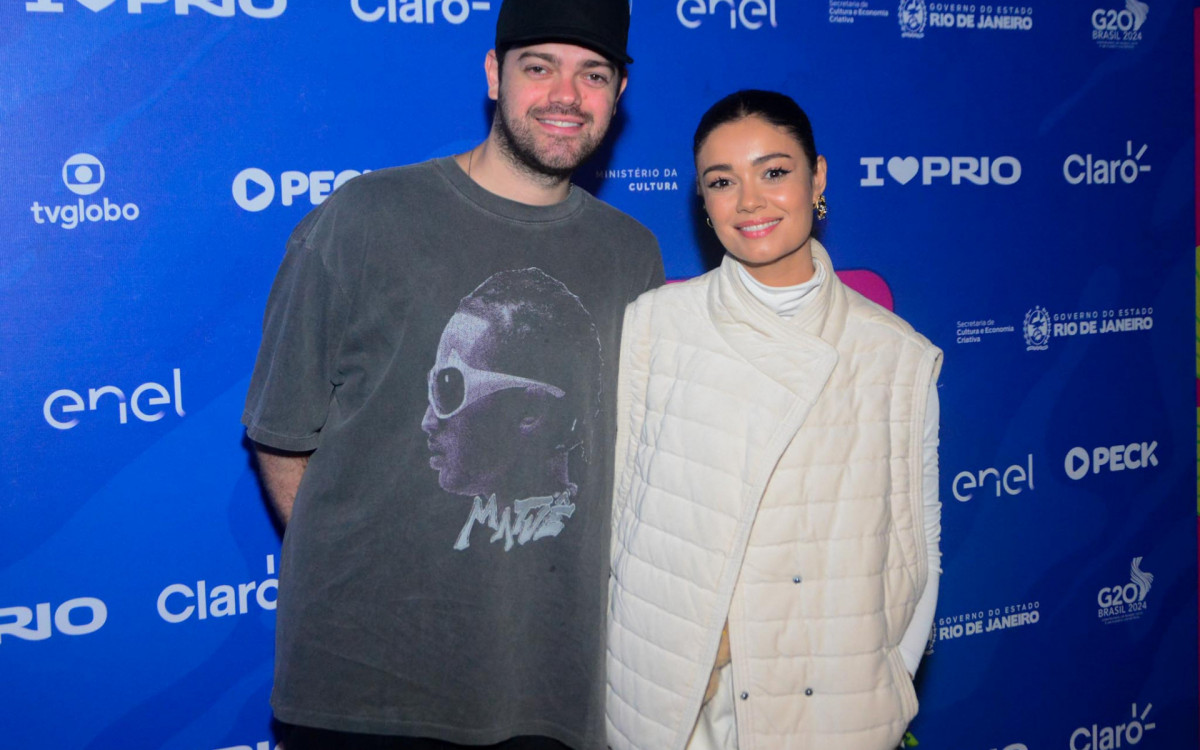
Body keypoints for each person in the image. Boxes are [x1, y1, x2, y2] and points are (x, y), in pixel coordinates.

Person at [241, 0, 664, 746]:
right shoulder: (367, 217)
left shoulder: (633, 255)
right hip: (367, 691)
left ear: (618, 94)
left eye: (592, 74)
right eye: (540, 67)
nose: (566, 95)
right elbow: (281, 432)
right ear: (494, 73)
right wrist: (371, 576)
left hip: (552, 692)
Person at [605, 90, 943, 750]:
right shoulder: (656, 325)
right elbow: (622, 507)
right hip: (680, 694)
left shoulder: (895, 352)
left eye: (774, 172)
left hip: (830, 690)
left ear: (817, 177)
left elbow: (914, 543)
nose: (750, 201)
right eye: (722, 182)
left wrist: (888, 676)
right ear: (703, 203)